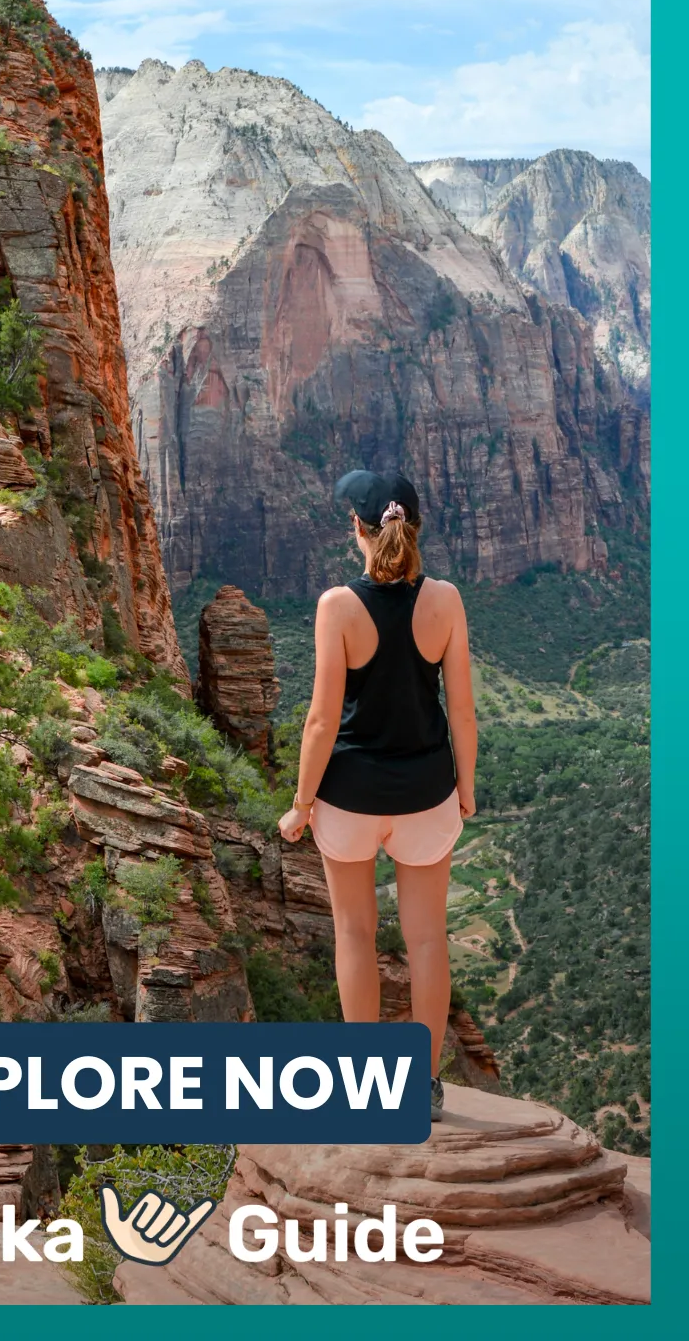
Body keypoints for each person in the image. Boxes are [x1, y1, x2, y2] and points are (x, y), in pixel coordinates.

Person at [277, 469, 478, 1123]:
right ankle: (422, 1086)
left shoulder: (337, 606)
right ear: (412, 527)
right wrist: (466, 791)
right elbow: (464, 714)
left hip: (351, 799)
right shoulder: (445, 601)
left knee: (356, 934)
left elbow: (320, 721)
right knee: (426, 941)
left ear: (358, 530)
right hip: (427, 794)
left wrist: (301, 805)